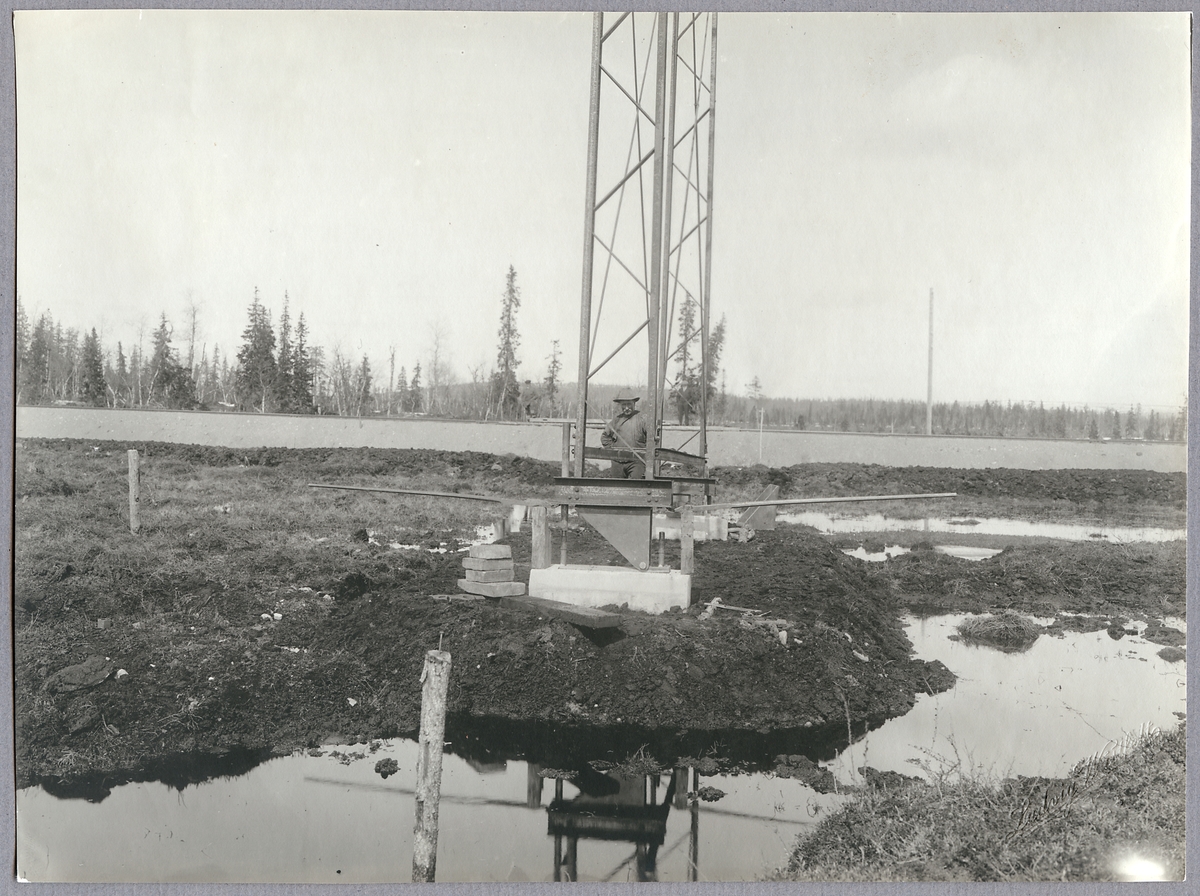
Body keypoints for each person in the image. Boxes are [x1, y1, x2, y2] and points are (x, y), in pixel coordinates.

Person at [601, 389, 648, 479]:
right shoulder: (616, 420)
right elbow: (605, 437)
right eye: (624, 405)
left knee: (636, 485)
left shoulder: (642, 419)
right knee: (617, 485)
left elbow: (651, 439)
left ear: (634, 404)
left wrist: (645, 454)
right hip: (618, 462)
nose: (626, 408)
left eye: (629, 404)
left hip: (636, 462)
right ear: (620, 405)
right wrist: (613, 450)